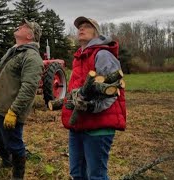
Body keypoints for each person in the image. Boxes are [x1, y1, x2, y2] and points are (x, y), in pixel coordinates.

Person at [61, 16, 127, 180]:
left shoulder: (103, 54)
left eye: (86, 26)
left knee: (96, 176)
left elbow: (112, 91)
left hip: (99, 126)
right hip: (78, 125)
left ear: (96, 33)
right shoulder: (79, 57)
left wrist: (91, 106)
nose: (81, 29)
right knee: (77, 174)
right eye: (79, 27)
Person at [0, 19, 43, 180]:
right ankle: (6, 161)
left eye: (24, 26)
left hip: (10, 110)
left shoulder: (32, 57)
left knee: (14, 145)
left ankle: (18, 176)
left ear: (30, 35)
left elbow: (29, 88)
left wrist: (14, 111)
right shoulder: (14, 50)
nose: (19, 26)